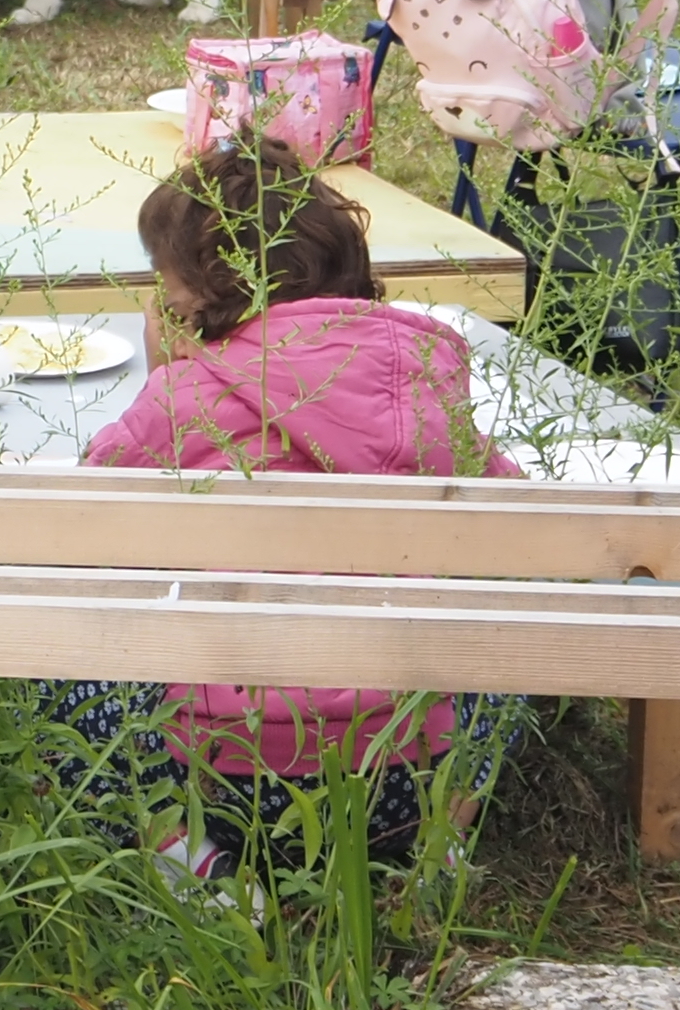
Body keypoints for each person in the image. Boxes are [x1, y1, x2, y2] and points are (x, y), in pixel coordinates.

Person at [48, 150, 525, 872]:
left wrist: (166, 374)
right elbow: (514, 519)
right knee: (518, 612)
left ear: (200, 301)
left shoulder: (183, 401)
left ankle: (184, 853)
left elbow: (91, 523)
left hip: (217, 777)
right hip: (401, 775)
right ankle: (441, 840)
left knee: (51, 633)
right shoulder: (423, 384)